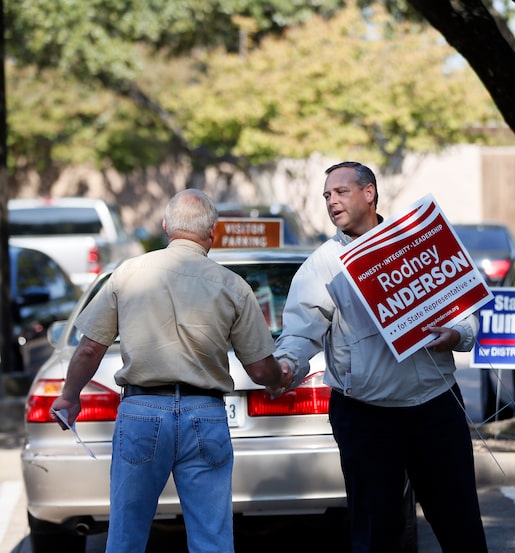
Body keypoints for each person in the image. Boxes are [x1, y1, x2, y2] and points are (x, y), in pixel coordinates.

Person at [49, 189, 292, 553]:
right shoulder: (233, 286)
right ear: (213, 231)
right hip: (205, 416)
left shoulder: (127, 274)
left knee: (126, 538)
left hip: (141, 414)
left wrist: (69, 396)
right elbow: (259, 368)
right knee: (212, 540)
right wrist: (281, 379)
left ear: (165, 227)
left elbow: (89, 348)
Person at [273, 161, 488, 553]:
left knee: (460, 525)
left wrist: (456, 334)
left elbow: (466, 319)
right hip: (366, 415)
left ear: (369, 193)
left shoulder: (416, 244)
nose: (331, 201)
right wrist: (288, 364)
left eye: (340, 192)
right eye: (326, 196)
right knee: (376, 532)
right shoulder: (323, 263)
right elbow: (301, 331)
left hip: (435, 406)